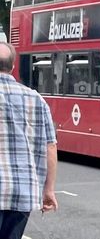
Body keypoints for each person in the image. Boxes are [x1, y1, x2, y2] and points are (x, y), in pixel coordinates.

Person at [0, 42, 58, 239]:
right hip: (22, 192)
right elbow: (50, 146)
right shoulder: (36, 99)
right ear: (13, 66)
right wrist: (48, 190)